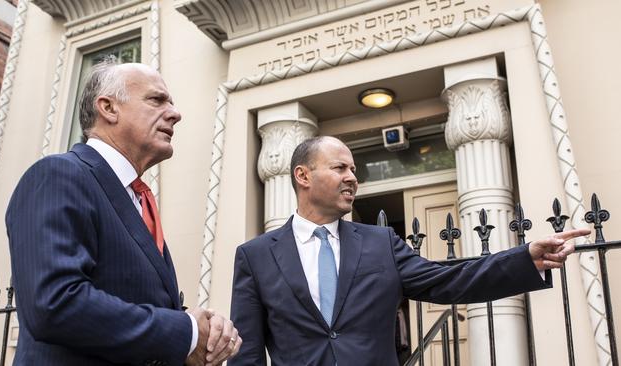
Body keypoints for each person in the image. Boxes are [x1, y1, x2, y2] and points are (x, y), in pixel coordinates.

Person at [229, 136, 590, 366]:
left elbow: (450, 280)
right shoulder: (256, 256)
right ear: (303, 176)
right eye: (339, 168)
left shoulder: (380, 243)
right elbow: (246, 353)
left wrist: (524, 257)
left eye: (353, 169)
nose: (352, 177)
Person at [6, 60, 241, 366]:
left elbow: (131, 303)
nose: (175, 113)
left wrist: (204, 332)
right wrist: (185, 332)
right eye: (157, 100)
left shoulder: (136, 198)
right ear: (108, 108)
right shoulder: (58, 175)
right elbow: (55, 304)